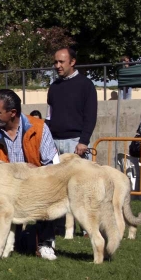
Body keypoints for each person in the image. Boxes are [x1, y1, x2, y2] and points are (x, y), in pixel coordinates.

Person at [0, 89, 60, 260]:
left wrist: (34, 174)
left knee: (48, 190)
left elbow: (52, 166)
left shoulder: (39, 127)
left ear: (13, 113)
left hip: (36, 183)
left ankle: (46, 243)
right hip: (2, 188)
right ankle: (6, 244)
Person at [46, 48, 97, 235]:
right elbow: (49, 115)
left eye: (61, 62)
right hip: (54, 141)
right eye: (55, 62)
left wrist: (83, 141)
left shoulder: (86, 85)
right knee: (57, 187)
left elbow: (90, 116)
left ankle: (87, 228)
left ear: (72, 62)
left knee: (82, 186)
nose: (57, 66)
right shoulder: (54, 86)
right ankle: (60, 226)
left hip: (75, 142)